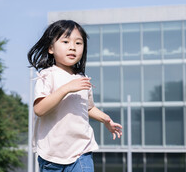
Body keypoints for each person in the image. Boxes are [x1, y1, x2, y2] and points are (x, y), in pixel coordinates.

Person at [28, 20, 123, 172]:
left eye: (78, 43)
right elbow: (39, 109)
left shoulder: (82, 78)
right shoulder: (47, 76)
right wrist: (66, 89)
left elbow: (88, 107)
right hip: (51, 154)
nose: (72, 47)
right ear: (51, 48)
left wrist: (106, 119)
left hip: (81, 151)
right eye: (65, 41)